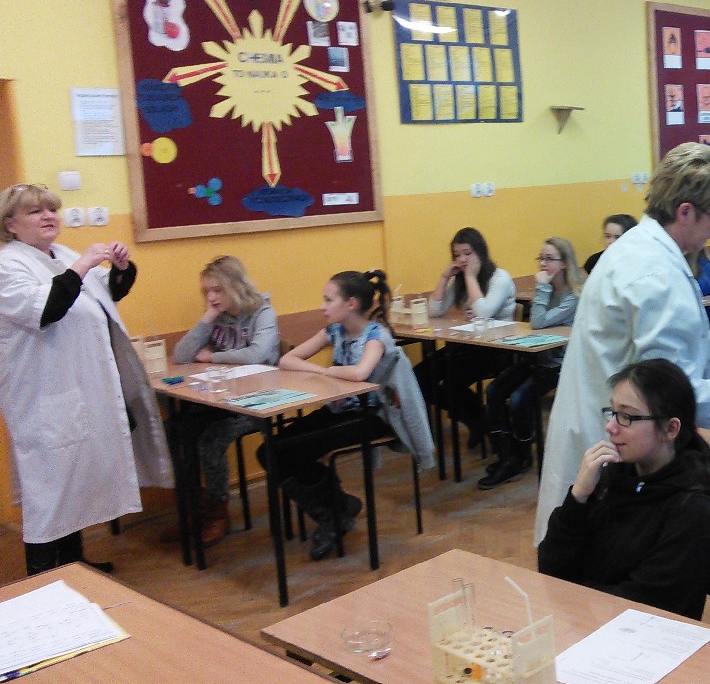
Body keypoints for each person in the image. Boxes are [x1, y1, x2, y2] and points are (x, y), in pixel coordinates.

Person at [534, 142, 710, 543]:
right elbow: (666, 391)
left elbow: (703, 346)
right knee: (606, 560)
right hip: (614, 435)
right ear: (685, 211)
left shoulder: (643, 250)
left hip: (611, 420)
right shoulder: (654, 273)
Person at [0, 182, 172, 575]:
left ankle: (74, 565)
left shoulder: (61, 254)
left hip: (80, 389)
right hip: (42, 398)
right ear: (10, 224)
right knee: (49, 494)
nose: (48, 216)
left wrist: (122, 269)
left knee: (74, 483)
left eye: (51, 209)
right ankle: (44, 581)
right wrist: (83, 265)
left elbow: (104, 295)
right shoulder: (8, 265)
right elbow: (47, 308)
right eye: (35, 211)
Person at [260, 270, 430, 561]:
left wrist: (327, 372)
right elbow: (287, 360)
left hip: (370, 416)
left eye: (329, 300)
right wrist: (323, 371)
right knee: (269, 451)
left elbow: (361, 372)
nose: (323, 306)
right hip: (337, 410)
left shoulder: (376, 335)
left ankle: (332, 514)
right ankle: (338, 507)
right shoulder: (334, 331)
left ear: (351, 304)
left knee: (290, 452)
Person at [537, 359, 710, 619]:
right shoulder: (612, 478)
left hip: (644, 636)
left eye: (627, 417)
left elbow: (645, 606)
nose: (610, 426)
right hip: (586, 623)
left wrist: (572, 597)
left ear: (670, 428)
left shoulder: (693, 509)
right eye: (612, 412)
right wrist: (578, 497)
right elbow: (550, 568)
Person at [170, 255, 280, 547]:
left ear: (236, 286)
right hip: (220, 400)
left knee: (211, 440)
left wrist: (213, 357)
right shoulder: (215, 316)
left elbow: (257, 354)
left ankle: (218, 513)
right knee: (177, 432)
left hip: (258, 401)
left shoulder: (262, 312)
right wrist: (206, 318)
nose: (211, 297)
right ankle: (193, 510)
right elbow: (181, 356)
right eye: (207, 291)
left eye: (218, 290)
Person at [479, 237, 583, 490]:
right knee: (494, 390)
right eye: (541, 258)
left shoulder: (575, 294)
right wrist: (544, 290)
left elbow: (537, 321)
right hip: (537, 357)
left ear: (564, 263)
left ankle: (522, 456)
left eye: (550, 259)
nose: (543, 264)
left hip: (561, 364)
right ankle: (506, 455)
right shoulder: (547, 288)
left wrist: (543, 288)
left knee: (519, 399)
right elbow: (538, 322)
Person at [414, 227, 515, 446]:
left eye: (467, 253)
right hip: (468, 345)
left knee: (452, 383)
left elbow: (484, 312)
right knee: (420, 377)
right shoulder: (458, 281)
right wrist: (444, 277)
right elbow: (434, 311)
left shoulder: (500, 278)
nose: (462, 260)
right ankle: (477, 418)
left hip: (498, 348)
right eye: (457, 255)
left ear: (481, 252)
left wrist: (470, 276)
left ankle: (480, 420)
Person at [688, 245, 710, 330]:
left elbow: (700, 290)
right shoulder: (680, 264)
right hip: (689, 317)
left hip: (707, 319)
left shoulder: (708, 265)